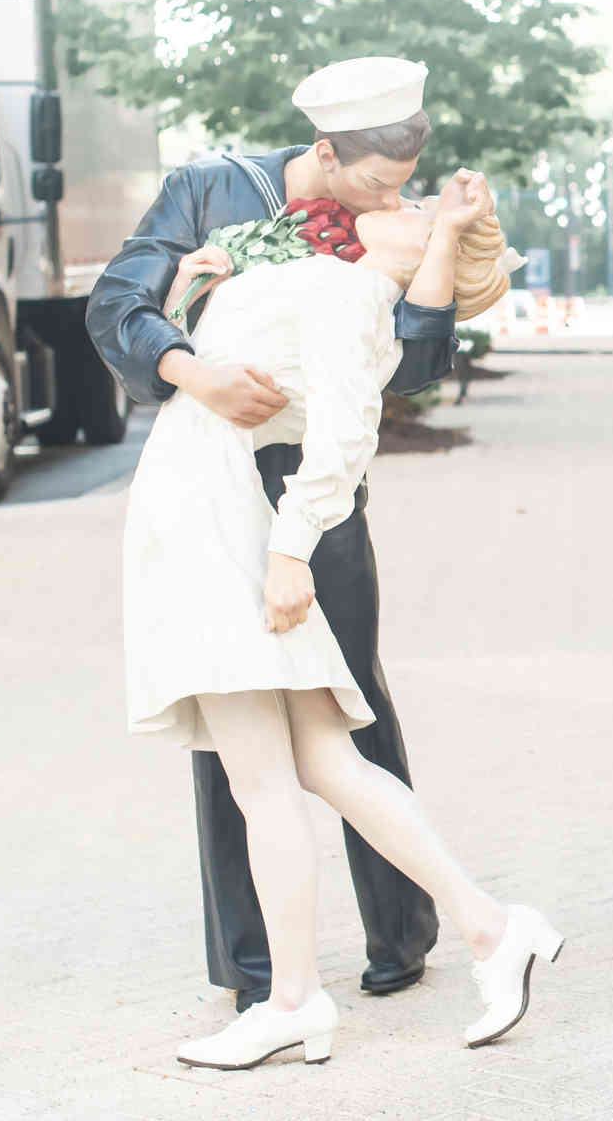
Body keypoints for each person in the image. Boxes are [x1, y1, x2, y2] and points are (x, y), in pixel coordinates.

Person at [123, 171, 556, 1068]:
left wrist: (289, 553)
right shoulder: (319, 279)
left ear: (414, 255)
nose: (395, 206)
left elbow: (346, 436)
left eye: (410, 213)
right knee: (328, 761)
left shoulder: (351, 295)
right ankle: (491, 928)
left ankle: (293, 1000)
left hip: (218, 529)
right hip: (215, 513)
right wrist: (188, 295)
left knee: (264, 780)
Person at [89, 58, 455, 1013]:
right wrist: (192, 371)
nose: (392, 199)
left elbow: (413, 364)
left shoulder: (389, 232)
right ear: (325, 152)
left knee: (352, 699)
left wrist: (441, 255)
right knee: (232, 721)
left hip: (317, 490)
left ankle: (402, 931)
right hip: (216, 479)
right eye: (376, 181)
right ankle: (254, 967)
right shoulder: (207, 190)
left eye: (405, 184)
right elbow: (117, 303)